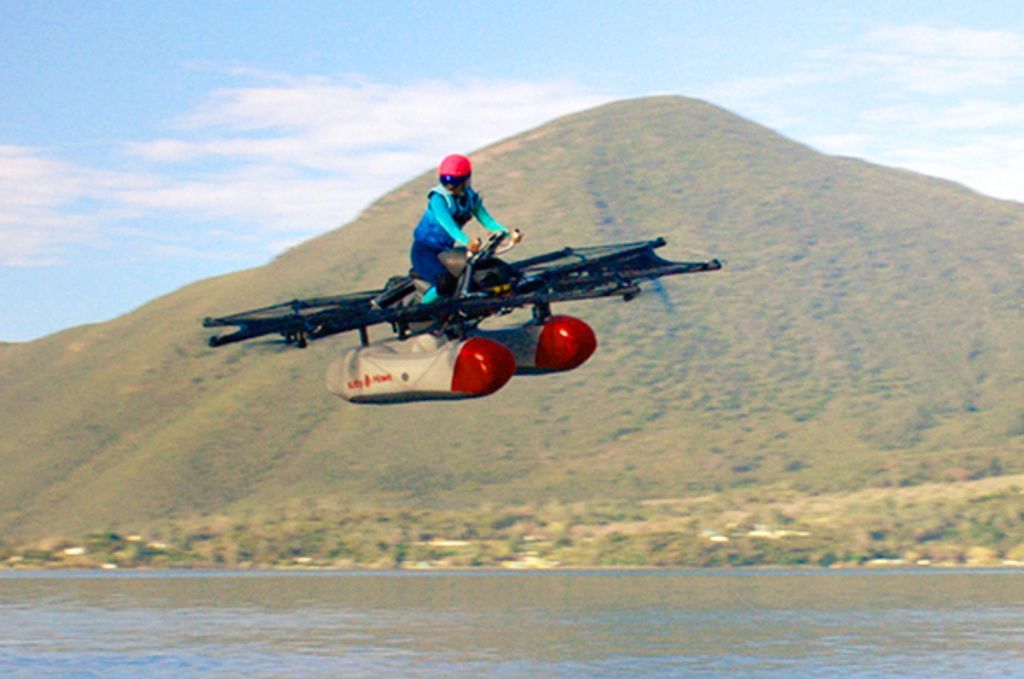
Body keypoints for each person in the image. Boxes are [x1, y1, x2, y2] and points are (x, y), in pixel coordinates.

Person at [411, 154, 515, 303]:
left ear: (466, 179)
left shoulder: (471, 198)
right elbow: (449, 226)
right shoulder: (438, 199)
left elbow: (487, 220)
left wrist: (507, 233)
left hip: (446, 251)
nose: (450, 187)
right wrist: (467, 241)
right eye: (446, 181)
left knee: (468, 276)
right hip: (425, 250)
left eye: (455, 182)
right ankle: (421, 310)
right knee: (444, 283)